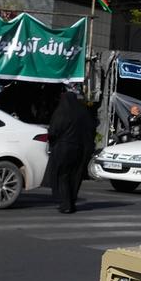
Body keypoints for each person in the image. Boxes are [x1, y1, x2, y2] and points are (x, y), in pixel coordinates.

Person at [44, 85, 95, 214]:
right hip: (81, 150)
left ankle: (65, 204)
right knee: (75, 176)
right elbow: (92, 130)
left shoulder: (62, 112)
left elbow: (54, 131)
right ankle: (71, 202)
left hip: (64, 149)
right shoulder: (84, 112)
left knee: (63, 176)